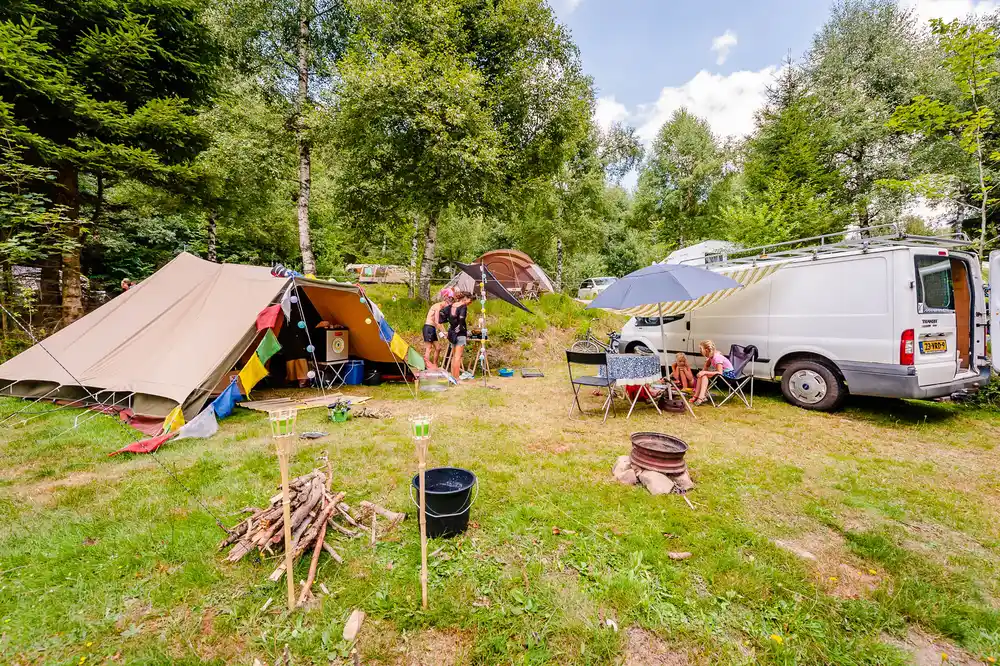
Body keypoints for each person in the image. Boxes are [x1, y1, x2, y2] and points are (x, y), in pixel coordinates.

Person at [692, 340, 735, 406]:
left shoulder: (717, 358)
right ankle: (697, 395)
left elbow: (719, 372)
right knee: (702, 375)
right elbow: (706, 367)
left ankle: (701, 397)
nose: (700, 352)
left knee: (704, 374)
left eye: (701, 350)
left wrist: (704, 372)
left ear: (706, 350)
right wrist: (702, 371)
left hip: (727, 377)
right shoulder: (711, 356)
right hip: (721, 375)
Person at [422, 289, 453, 369]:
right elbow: (437, 321)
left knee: (438, 348)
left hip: (432, 329)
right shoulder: (438, 306)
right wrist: (444, 332)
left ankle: (435, 364)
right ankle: (427, 366)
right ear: (445, 302)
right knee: (428, 348)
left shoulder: (442, 308)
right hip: (428, 328)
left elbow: (440, 322)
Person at [448, 291, 473, 380]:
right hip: (460, 333)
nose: (470, 303)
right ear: (465, 298)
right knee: (458, 357)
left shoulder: (452, 305)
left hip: (451, 332)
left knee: (454, 356)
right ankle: (457, 378)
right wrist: (460, 327)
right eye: (470, 301)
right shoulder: (463, 306)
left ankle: (452, 377)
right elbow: (461, 318)